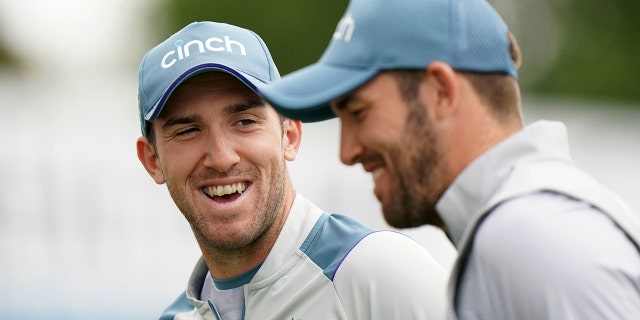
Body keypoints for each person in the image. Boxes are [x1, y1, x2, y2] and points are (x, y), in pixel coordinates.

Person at [258, 0, 640, 319]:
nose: (348, 152)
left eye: (358, 112)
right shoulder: (525, 226)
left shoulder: (527, 237)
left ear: (441, 91)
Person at [135, 21, 449, 320]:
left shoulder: (380, 273)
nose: (221, 157)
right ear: (152, 160)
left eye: (245, 122)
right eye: (188, 130)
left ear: (290, 136)